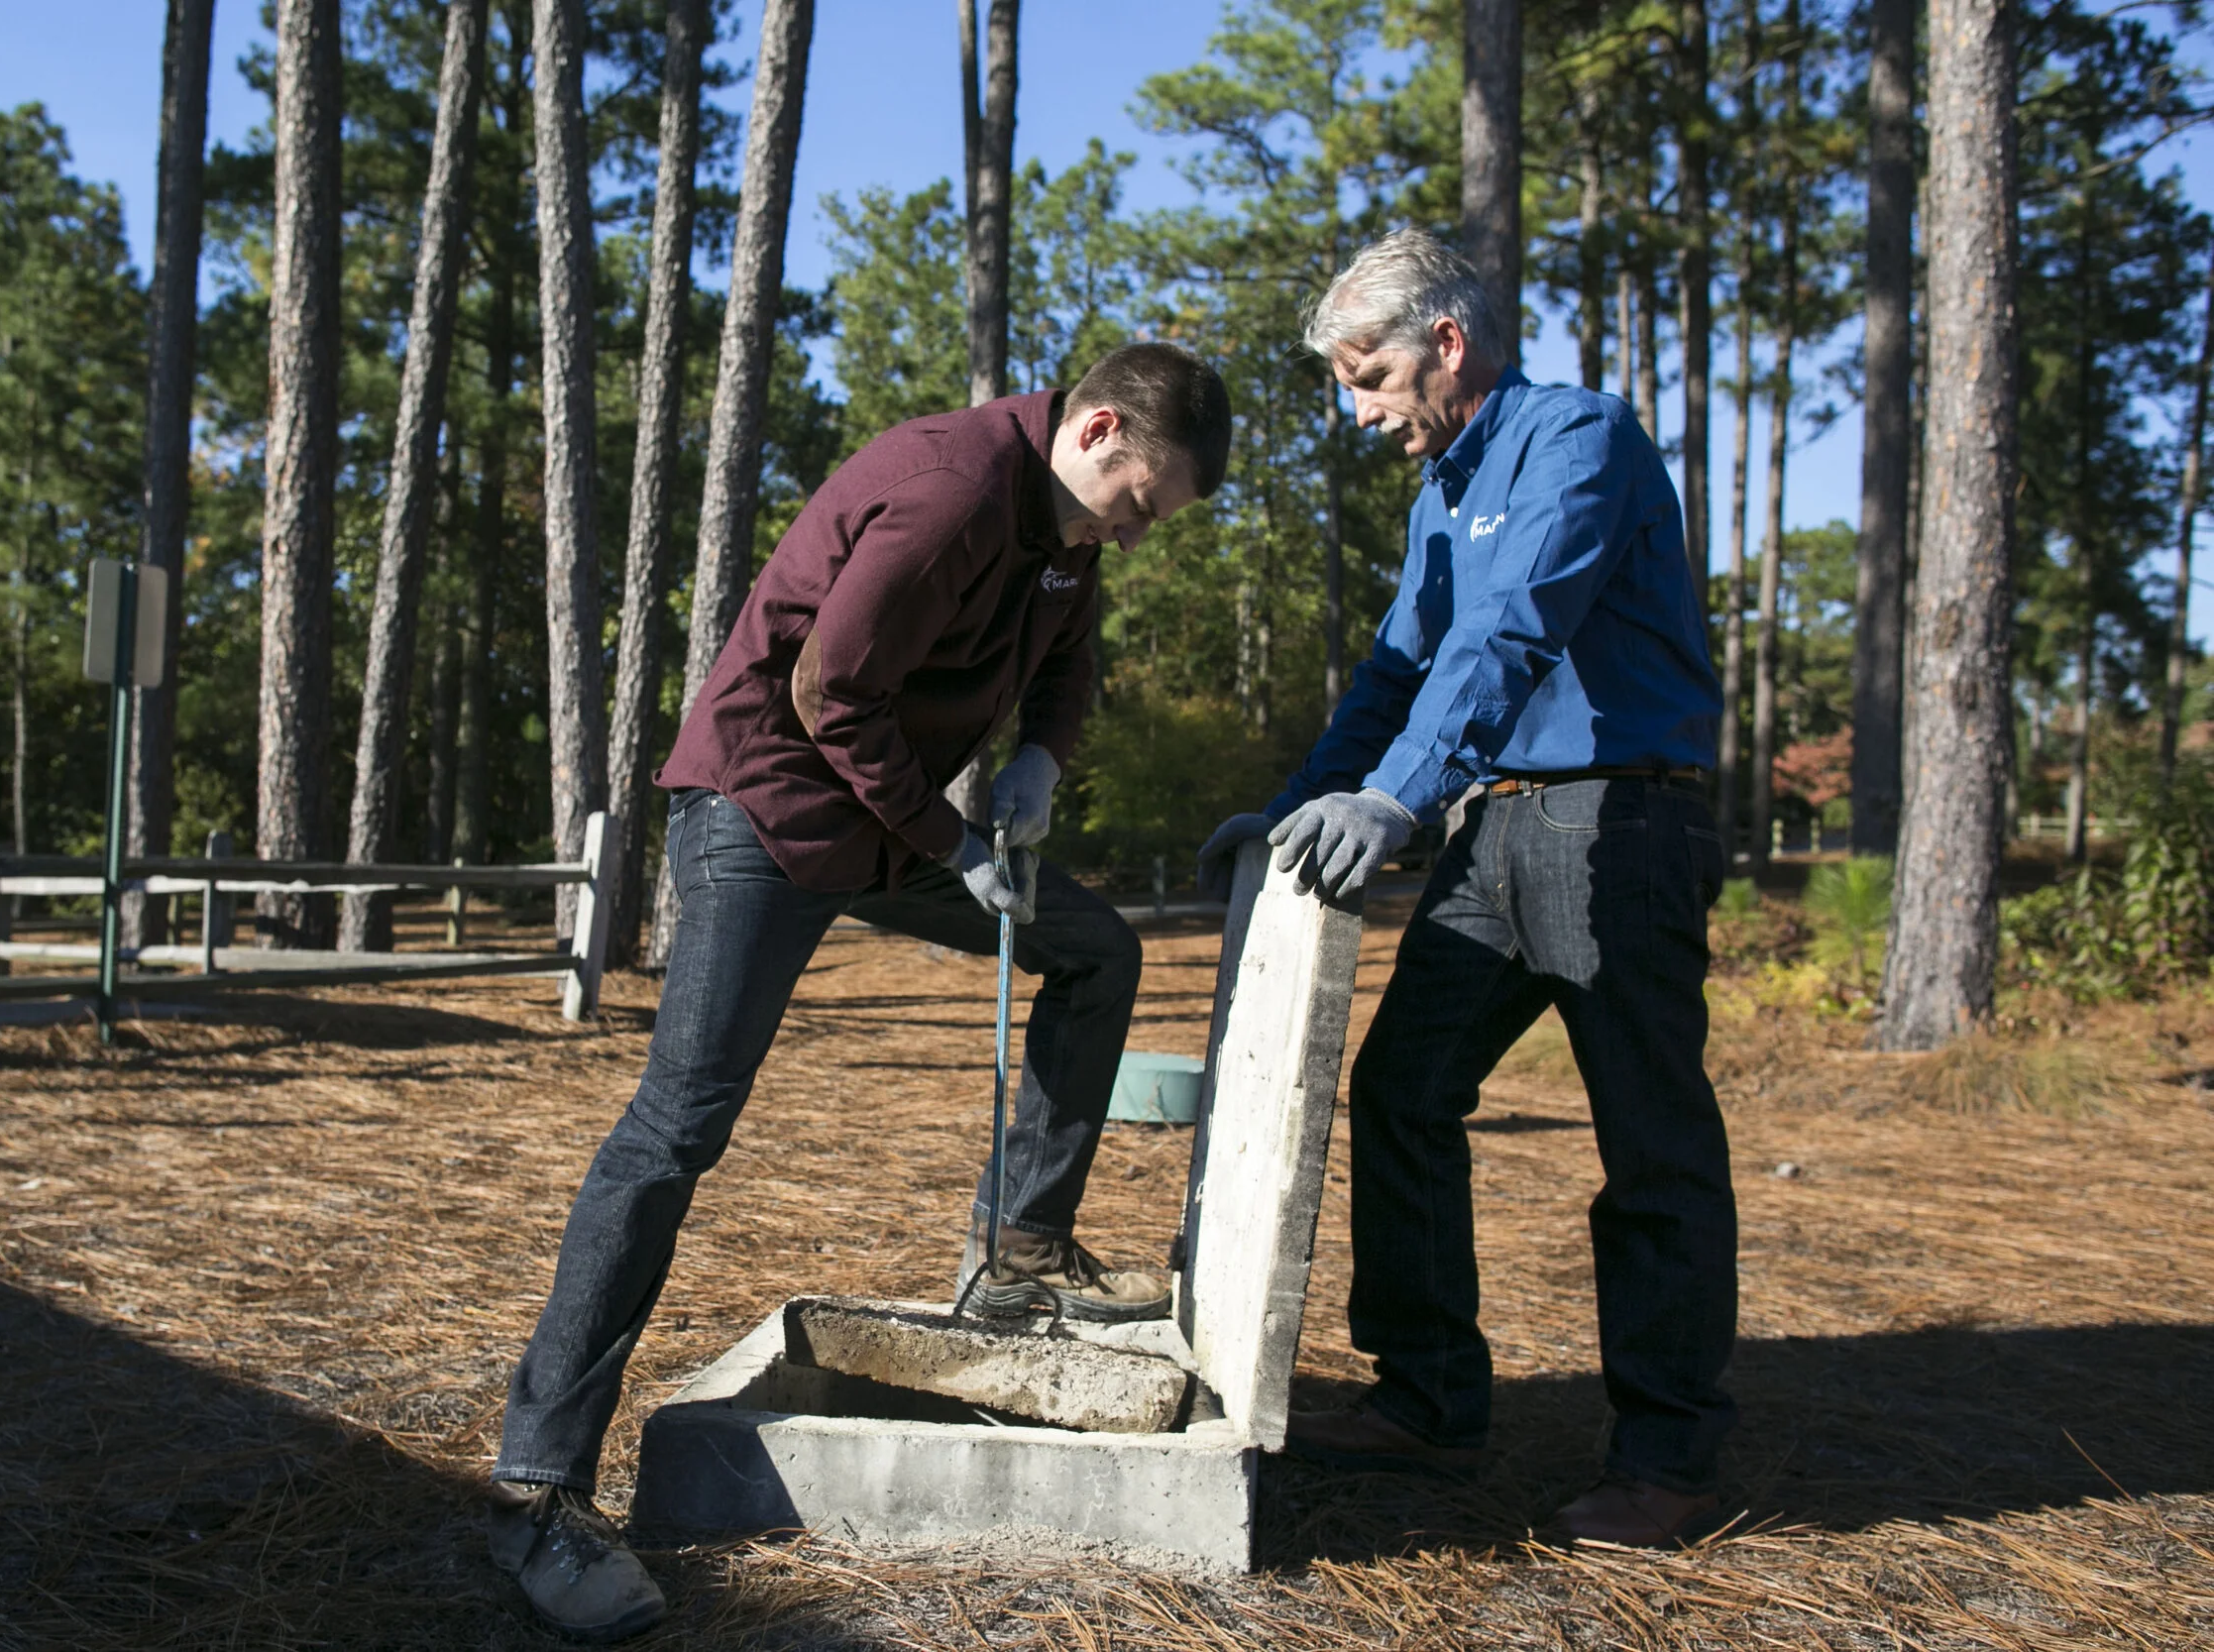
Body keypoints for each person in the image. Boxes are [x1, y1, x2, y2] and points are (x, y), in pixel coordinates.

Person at [492, 342, 1234, 1640]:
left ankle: (1016, 1258)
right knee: (679, 1125)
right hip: (765, 805)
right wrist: (956, 847)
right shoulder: (951, 485)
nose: (1143, 532)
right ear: (1099, 428)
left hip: (887, 820)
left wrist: (1041, 765)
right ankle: (539, 1491)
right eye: (1143, 502)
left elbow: (1064, 664)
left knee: (1098, 949)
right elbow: (828, 689)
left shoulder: (1069, 528)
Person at [1197, 229, 1735, 1549]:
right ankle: (1430, 1397)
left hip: (1622, 822)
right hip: (1493, 837)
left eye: (1370, 375)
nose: (1359, 410)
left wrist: (1401, 795)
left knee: (1650, 1139)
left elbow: (1512, 631)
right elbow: (1397, 671)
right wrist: (1291, 815)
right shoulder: (1441, 492)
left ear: (1449, 344)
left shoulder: (1578, 441)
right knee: (1401, 1092)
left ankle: (1666, 1454)